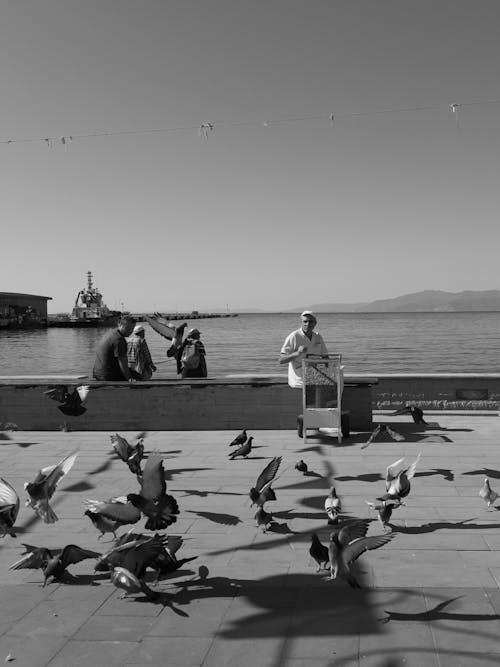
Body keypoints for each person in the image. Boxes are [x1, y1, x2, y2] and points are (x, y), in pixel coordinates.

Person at [279, 311, 328, 388]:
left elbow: (325, 358)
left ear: (315, 323)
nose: (307, 324)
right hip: (299, 383)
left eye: (311, 321)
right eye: (305, 321)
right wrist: (297, 353)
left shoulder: (318, 337)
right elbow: (281, 360)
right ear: (301, 322)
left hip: (315, 380)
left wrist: (329, 373)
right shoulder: (294, 336)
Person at [93, 315, 136, 381]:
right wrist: (130, 379)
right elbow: (122, 363)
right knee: (139, 376)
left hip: (97, 374)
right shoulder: (119, 340)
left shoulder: (110, 332)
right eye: (128, 328)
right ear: (121, 325)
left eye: (132, 329)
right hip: (108, 376)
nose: (130, 331)